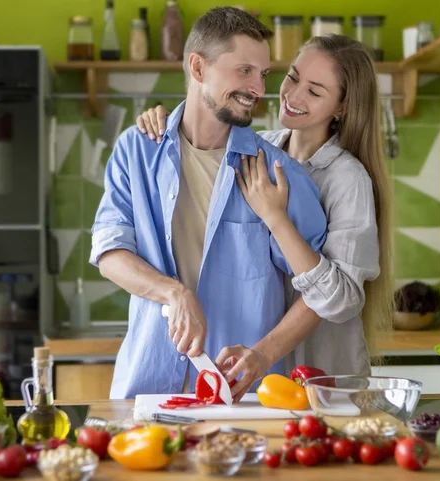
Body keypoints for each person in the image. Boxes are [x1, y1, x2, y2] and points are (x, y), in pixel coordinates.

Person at [135, 33, 394, 400]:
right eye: (292, 77)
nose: (293, 94)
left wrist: (276, 218)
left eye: (315, 91)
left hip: (324, 381)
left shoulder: (347, 179)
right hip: (264, 380)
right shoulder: (259, 147)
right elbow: (202, 123)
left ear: (342, 107)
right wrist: (164, 123)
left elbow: (340, 300)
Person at [90, 7, 327, 399]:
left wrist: (263, 355)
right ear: (198, 68)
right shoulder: (136, 150)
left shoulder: (278, 174)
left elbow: (318, 291)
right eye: (244, 71)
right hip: (147, 393)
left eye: (263, 74)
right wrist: (174, 293)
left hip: (244, 400)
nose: (257, 88)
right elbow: (109, 252)